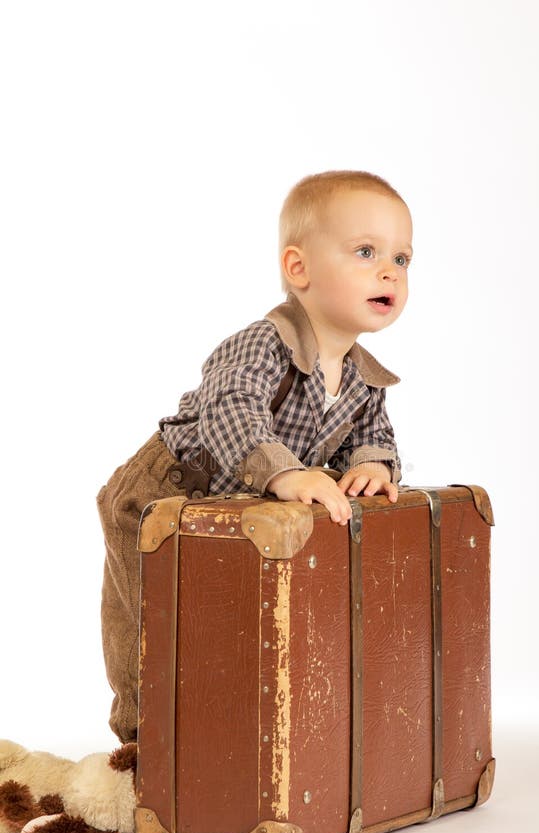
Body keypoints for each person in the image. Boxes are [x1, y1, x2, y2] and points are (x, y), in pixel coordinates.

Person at [97, 169, 414, 743]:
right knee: (152, 618)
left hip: (234, 500)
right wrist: (285, 471)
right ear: (299, 269)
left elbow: (373, 430)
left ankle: (221, 741)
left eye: (402, 258)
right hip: (163, 488)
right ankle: (143, 742)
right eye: (366, 251)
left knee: (223, 624)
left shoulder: (364, 379)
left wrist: (372, 465)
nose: (389, 269)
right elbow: (229, 405)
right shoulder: (264, 342)